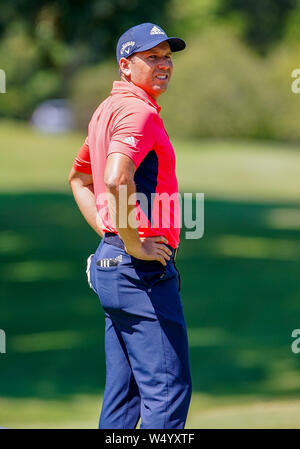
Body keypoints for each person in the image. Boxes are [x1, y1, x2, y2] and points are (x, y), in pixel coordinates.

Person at [68, 22, 192, 429]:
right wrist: (134, 243)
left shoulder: (106, 110)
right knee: (168, 393)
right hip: (139, 272)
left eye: (168, 58)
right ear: (126, 65)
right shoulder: (136, 111)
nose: (164, 65)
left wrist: (111, 235)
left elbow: (78, 180)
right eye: (152, 57)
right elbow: (115, 178)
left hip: (113, 268)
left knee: (124, 401)